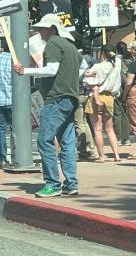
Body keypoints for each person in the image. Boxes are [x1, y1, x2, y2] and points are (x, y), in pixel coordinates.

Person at [13, 13, 83, 198]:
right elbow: (83, 69)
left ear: (52, 29)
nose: (39, 31)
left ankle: (53, 183)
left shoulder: (53, 44)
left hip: (56, 98)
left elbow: (52, 70)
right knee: (67, 143)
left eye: (42, 28)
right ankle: (71, 183)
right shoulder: (71, 47)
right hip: (71, 98)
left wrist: (25, 71)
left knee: (45, 140)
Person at [82, 48, 123, 163]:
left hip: (96, 96)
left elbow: (86, 80)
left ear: (102, 54)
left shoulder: (97, 67)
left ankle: (102, 156)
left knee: (97, 129)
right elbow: (118, 85)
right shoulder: (116, 68)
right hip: (109, 97)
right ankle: (116, 155)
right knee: (110, 129)